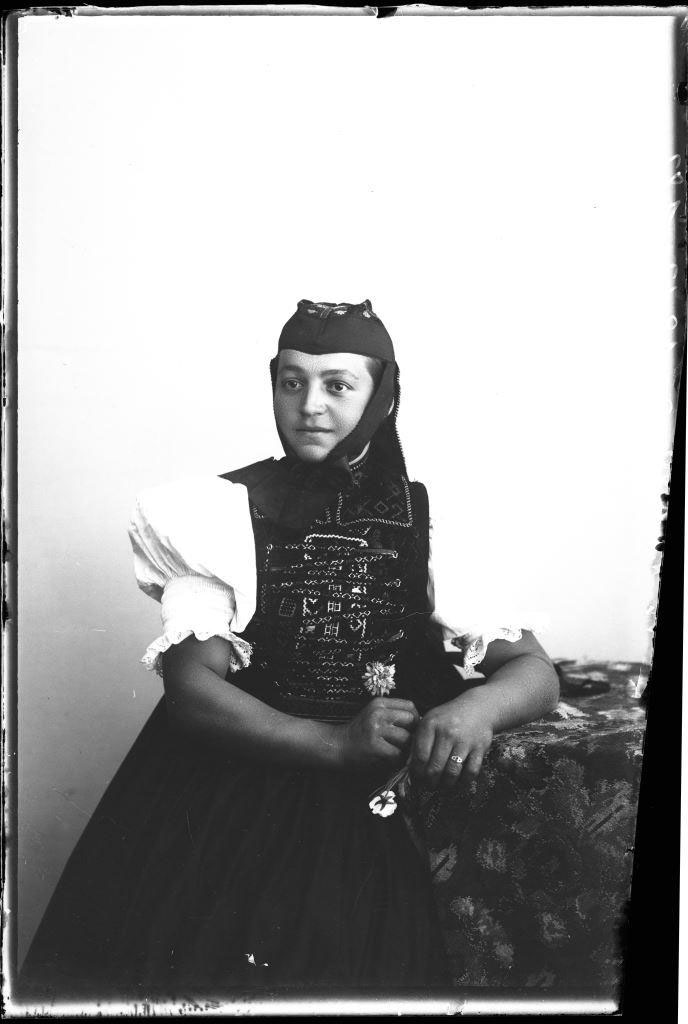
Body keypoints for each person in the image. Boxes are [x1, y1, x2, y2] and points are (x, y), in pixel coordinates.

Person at [18, 299, 559, 1002]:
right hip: (242, 784)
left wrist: (477, 711)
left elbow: (533, 670)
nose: (309, 406)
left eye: (338, 385)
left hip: (379, 795)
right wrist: (330, 743)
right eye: (292, 382)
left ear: (382, 395)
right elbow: (191, 689)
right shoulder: (222, 513)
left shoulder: (425, 518)